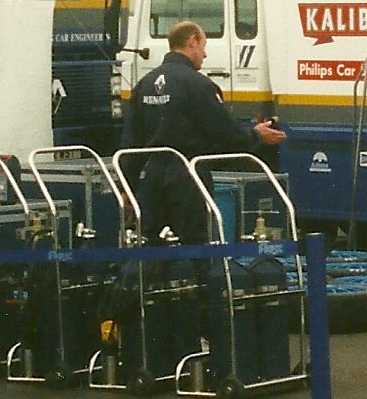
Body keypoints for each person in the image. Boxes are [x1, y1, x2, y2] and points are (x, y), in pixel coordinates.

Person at [119, 20, 286, 374]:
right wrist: (256, 136)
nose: (205, 53)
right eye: (204, 45)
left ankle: (151, 339)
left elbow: (130, 140)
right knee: (197, 252)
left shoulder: (145, 83)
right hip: (187, 176)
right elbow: (225, 134)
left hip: (152, 177)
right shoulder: (197, 84)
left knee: (150, 253)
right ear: (191, 41)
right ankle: (199, 340)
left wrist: (127, 185)